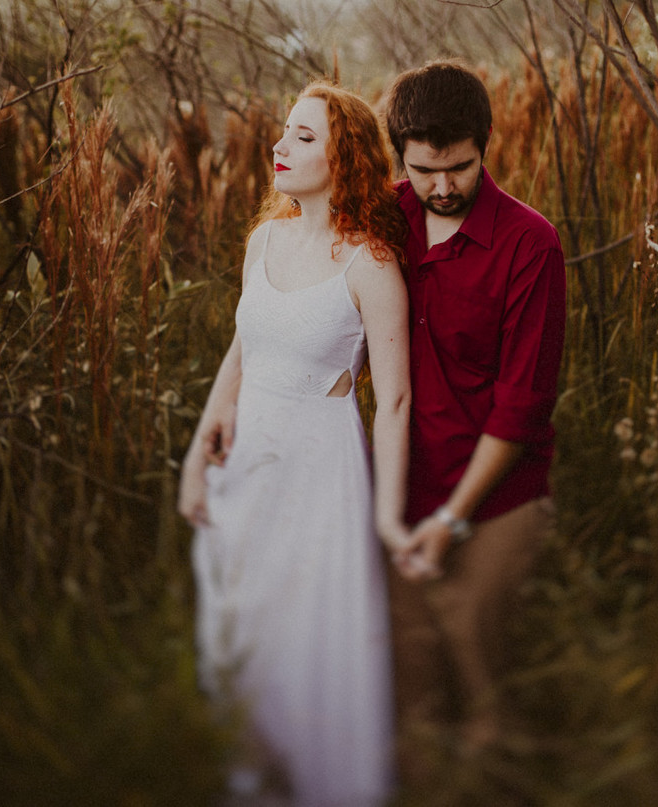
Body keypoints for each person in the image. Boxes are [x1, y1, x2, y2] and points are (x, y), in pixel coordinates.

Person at [177, 80, 411, 806]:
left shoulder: (370, 263)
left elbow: (396, 399)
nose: (280, 146)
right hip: (246, 462)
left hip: (320, 469)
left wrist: (387, 515)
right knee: (240, 632)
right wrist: (198, 449)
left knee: (310, 638)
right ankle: (251, 782)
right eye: (284, 132)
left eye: (304, 137)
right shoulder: (264, 240)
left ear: (345, 159)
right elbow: (244, 348)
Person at [381, 60, 567, 779]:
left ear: (486, 143)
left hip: (495, 500)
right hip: (402, 492)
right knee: (412, 685)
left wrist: (454, 517)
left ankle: (498, 787)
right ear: (403, 155)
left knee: (485, 680)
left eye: (458, 166)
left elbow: (521, 408)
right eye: (425, 170)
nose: (443, 187)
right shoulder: (384, 218)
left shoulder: (530, 244)